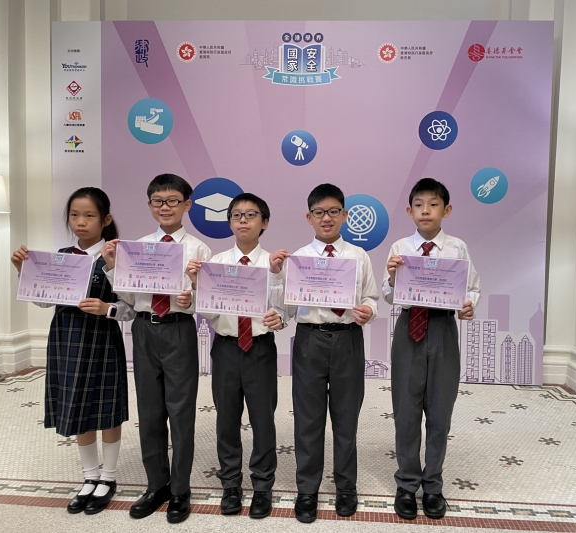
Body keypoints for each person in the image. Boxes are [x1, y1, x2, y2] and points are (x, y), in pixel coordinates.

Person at [11, 187, 132, 515]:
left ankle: (108, 478)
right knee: (77, 405)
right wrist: (23, 271)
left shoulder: (116, 256)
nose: (81, 221)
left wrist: (106, 308)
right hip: (66, 340)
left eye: (89, 215)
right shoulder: (61, 256)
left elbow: (131, 308)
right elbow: (42, 300)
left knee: (106, 408)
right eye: (75, 215)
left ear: (105, 219)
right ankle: (89, 477)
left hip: (102, 340)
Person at [101, 173, 212, 524]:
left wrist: (192, 296)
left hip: (179, 329)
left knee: (181, 412)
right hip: (144, 329)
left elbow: (210, 301)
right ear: (149, 205)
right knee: (149, 411)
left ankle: (180, 489)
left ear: (187, 205)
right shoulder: (137, 247)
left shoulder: (198, 249)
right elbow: (129, 297)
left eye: (173, 201)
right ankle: (156, 485)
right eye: (158, 201)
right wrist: (113, 266)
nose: (165, 207)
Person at [278, 183, 378, 523]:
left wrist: (368, 310)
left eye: (333, 211)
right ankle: (307, 489)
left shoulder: (359, 256)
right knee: (308, 419)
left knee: (346, 418)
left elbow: (371, 298)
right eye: (319, 212)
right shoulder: (299, 258)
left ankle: (346, 487)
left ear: (345, 215)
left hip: (348, 339)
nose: (326, 218)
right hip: (310, 340)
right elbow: (287, 306)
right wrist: (278, 296)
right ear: (309, 217)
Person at [383, 177, 480, 520]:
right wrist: (392, 277)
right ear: (409, 211)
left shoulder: (457, 248)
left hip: (442, 329)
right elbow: (389, 296)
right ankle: (407, 484)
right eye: (419, 205)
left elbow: (473, 287)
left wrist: (468, 305)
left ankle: (433, 484)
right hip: (408, 328)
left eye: (434, 204)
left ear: (446, 210)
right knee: (406, 412)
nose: (426, 210)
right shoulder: (400, 247)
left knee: (440, 412)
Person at [187, 192, 285, 519]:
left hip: (260, 349)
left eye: (251, 215)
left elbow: (284, 307)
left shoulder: (275, 263)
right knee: (226, 419)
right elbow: (205, 310)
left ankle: (262, 485)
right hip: (227, 346)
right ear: (229, 222)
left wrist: (279, 315)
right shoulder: (215, 264)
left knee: (262, 420)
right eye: (236, 215)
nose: (243, 220)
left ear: (264, 223)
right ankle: (230, 483)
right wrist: (196, 284)